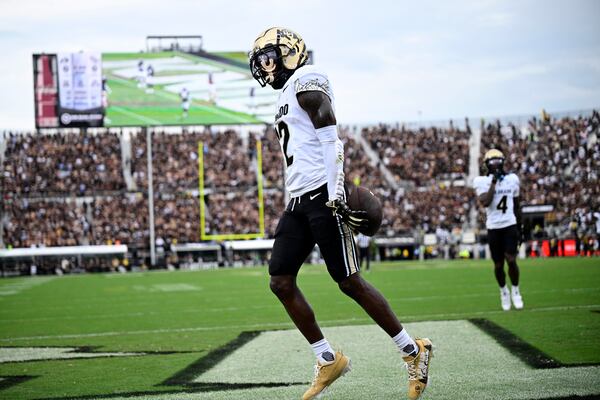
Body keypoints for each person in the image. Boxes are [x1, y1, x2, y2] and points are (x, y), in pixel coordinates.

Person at [249, 27, 432, 400]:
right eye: (261, 62)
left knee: (349, 281)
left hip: (323, 194)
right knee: (280, 280)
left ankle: (413, 351)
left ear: (289, 53)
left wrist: (336, 191)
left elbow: (330, 138)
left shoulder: (306, 78)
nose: (265, 68)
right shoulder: (284, 93)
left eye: (269, 58)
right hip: (298, 199)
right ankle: (327, 358)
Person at [473, 149, 524, 311]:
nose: (496, 165)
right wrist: (494, 182)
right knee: (498, 265)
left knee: (511, 259)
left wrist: (520, 228)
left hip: (510, 224)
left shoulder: (512, 179)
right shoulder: (481, 181)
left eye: (498, 161)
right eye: (492, 162)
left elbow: (516, 205)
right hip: (493, 227)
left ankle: (515, 289)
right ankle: (503, 291)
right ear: (486, 165)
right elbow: (485, 202)